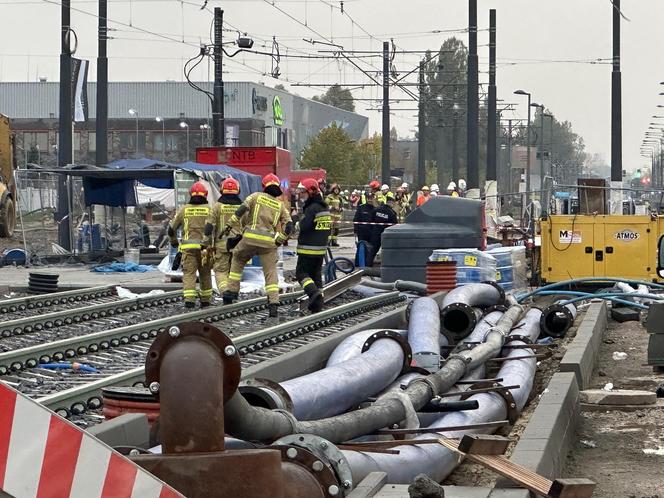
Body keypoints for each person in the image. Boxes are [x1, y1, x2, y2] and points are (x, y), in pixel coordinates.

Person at [222, 173, 293, 317]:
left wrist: (230, 225)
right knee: (271, 272)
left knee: (237, 258)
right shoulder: (280, 206)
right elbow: (289, 225)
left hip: (249, 240)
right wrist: (280, 240)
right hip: (268, 244)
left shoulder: (255, 196)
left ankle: (231, 293)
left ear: (264, 186)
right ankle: (273, 302)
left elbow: (241, 209)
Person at [168, 181, 213, 309]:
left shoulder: (184, 210)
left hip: (188, 249)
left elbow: (171, 229)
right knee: (205, 274)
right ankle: (205, 300)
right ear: (205, 195)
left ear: (190, 195)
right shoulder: (210, 210)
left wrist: (174, 243)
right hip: (205, 249)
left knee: (189, 274)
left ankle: (189, 301)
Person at [294, 178, 331, 313]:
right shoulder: (324, 207)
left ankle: (313, 293)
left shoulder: (311, 208)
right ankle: (318, 303)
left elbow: (304, 226)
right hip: (320, 250)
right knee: (316, 276)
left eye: (303, 192)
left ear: (311, 192)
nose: (301, 195)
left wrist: (297, 223)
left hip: (307, 249)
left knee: (301, 273)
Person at [204, 177, 242, 296]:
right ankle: (234, 292)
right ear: (238, 190)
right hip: (238, 245)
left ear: (221, 190)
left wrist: (206, 244)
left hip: (221, 246)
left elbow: (209, 227)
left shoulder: (217, 206)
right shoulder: (243, 208)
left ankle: (225, 291)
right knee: (235, 271)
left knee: (220, 271)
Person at [368, 192, 398, 266]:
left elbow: (371, 220)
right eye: (393, 203)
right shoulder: (392, 213)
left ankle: (367, 265)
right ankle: (386, 265)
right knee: (386, 251)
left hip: (375, 233)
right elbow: (395, 225)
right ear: (391, 203)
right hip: (386, 235)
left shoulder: (377, 210)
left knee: (373, 250)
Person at [353, 190, 375, 266]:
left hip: (371, 233)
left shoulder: (375, 209)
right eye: (368, 198)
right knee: (361, 248)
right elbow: (356, 219)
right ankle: (358, 264)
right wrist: (355, 231)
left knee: (370, 250)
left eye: (371, 198)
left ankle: (368, 265)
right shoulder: (361, 208)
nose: (370, 199)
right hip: (362, 232)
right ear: (366, 198)